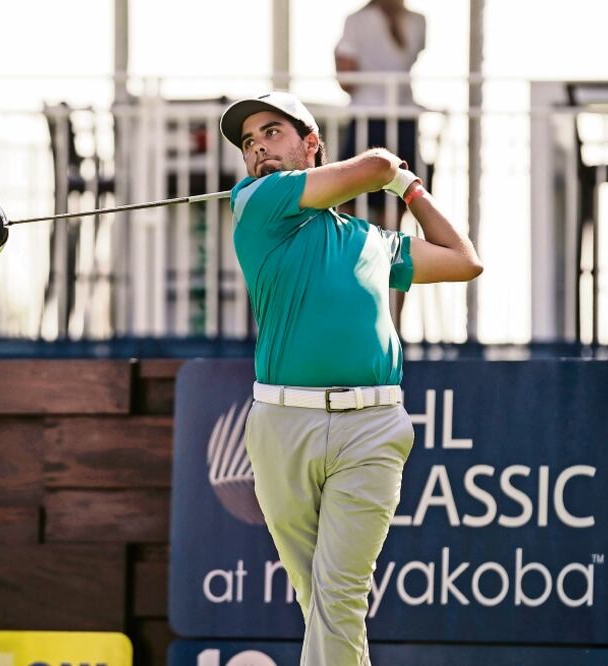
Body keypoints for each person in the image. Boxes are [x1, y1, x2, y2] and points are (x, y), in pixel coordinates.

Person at [219, 92, 481, 665]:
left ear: (312, 144)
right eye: (248, 142)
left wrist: (411, 190)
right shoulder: (255, 201)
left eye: (272, 133)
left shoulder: (374, 242)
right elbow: (378, 165)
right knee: (320, 599)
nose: (258, 147)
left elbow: (464, 260)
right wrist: (392, 174)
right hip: (282, 424)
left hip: (373, 426)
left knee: (338, 595)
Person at [335, 0, 429, 217]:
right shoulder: (416, 21)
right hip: (393, 117)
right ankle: (380, 238)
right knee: (398, 195)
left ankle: (355, 237)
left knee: (350, 194)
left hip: (375, 117)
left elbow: (346, 80)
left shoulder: (357, 20)